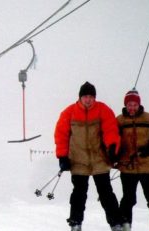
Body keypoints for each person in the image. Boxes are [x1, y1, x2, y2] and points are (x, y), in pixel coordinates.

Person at [54, 82, 123, 231]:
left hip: (100, 160)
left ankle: (116, 224)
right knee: (79, 194)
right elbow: (61, 135)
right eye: (85, 96)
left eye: (91, 96)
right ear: (80, 97)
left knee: (106, 193)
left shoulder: (103, 110)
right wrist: (62, 156)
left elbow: (111, 129)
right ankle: (75, 223)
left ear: (95, 98)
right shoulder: (69, 112)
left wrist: (112, 147)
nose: (88, 99)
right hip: (78, 161)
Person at [116, 90, 149, 231]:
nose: (132, 108)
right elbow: (112, 140)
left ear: (139, 104)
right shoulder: (119, 121)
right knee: (128, 199)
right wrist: (115, 157)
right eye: (129, 105)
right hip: (128, 167)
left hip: (148, 167)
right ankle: (125, 225)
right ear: (125, 105)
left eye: (134, 104)